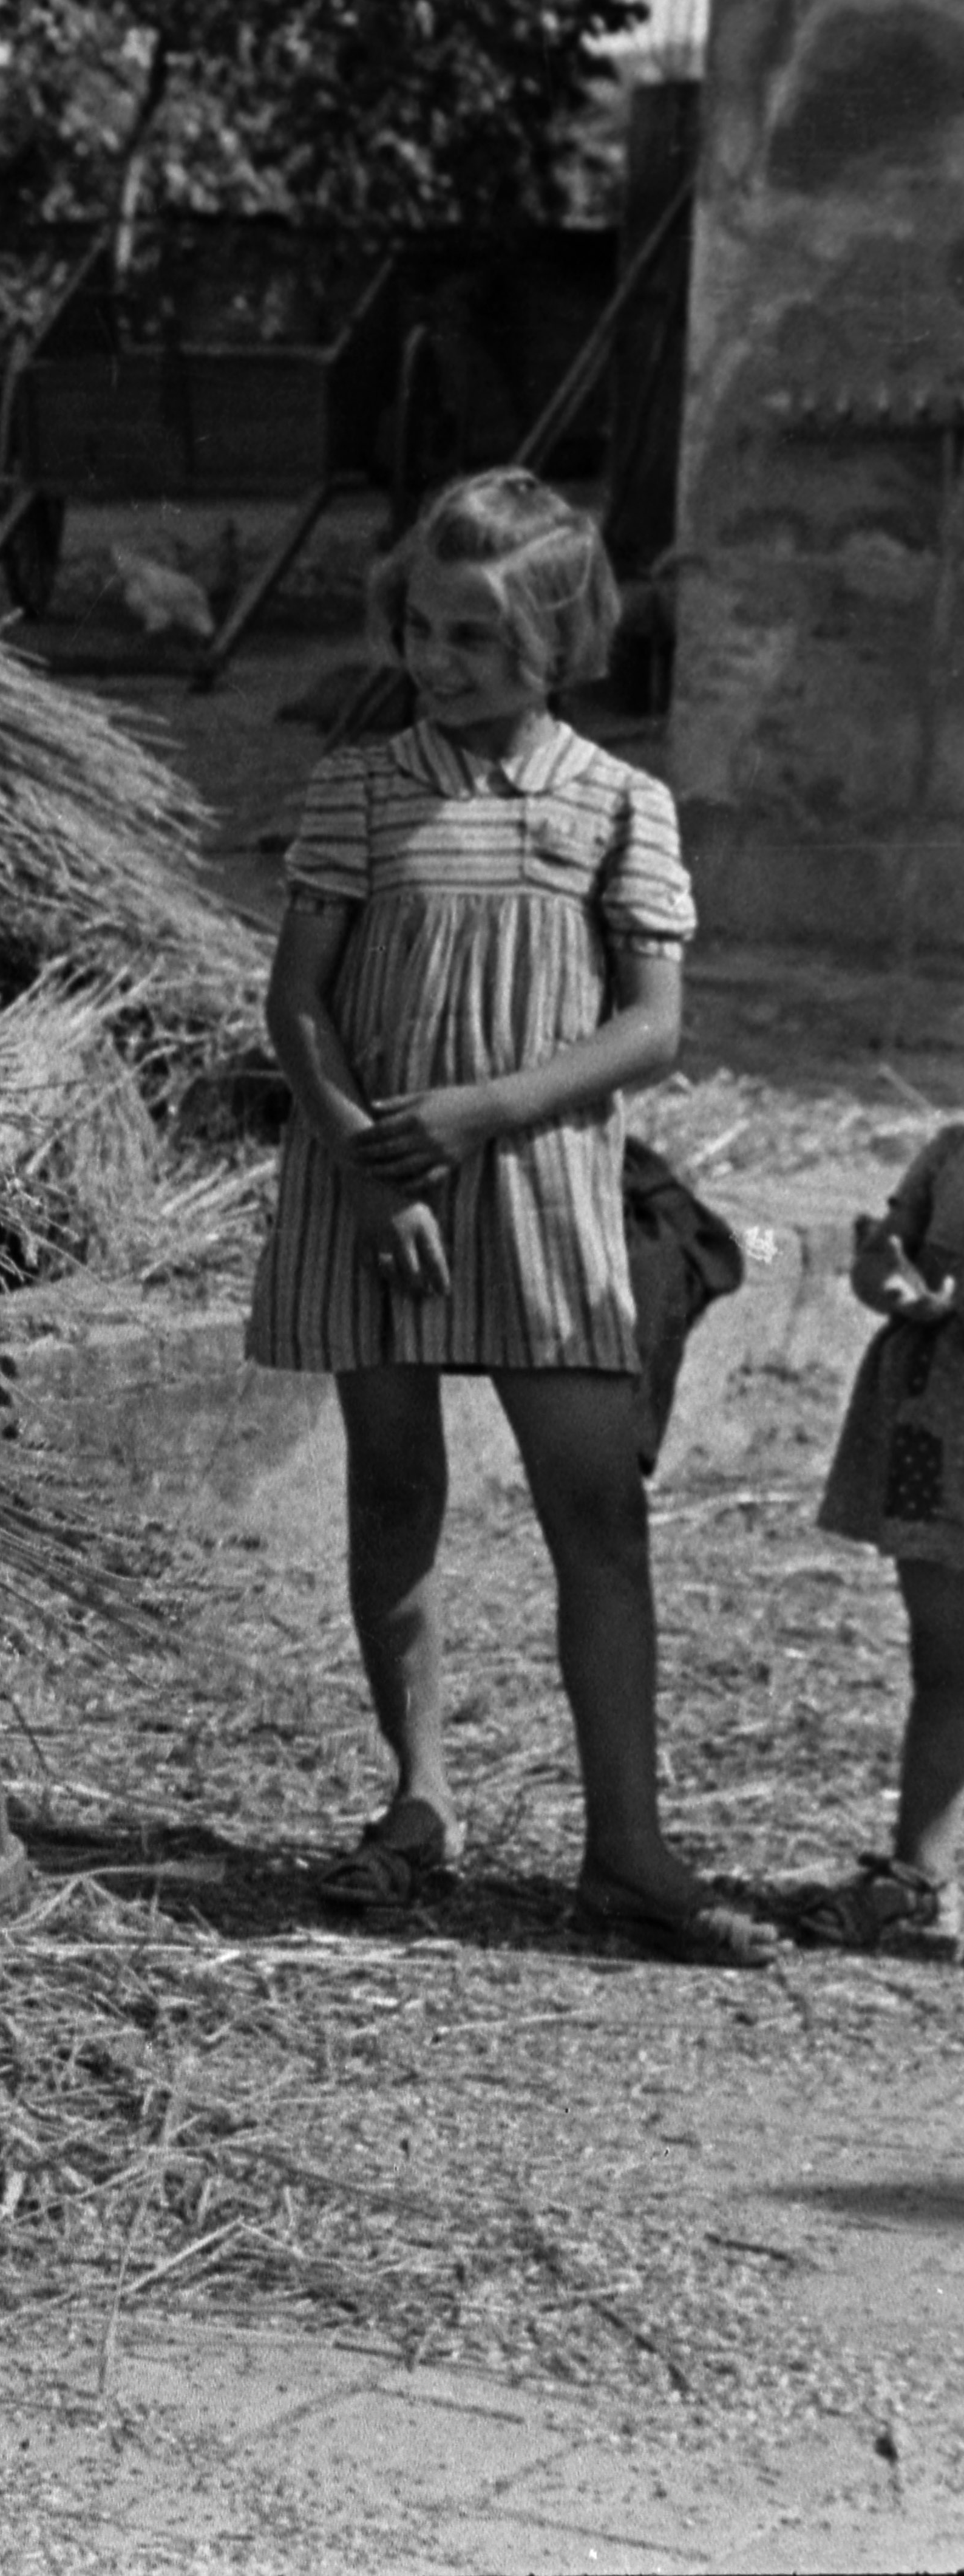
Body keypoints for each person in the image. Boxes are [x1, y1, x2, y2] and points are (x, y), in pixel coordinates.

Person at [248, 468, 774, 1964]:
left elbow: (652, 1027)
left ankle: (630, 1847)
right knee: (396, 1490)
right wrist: (364, 1163)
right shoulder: (360, 785)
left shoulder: (621, 804)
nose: (438, 659)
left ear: (559, 635)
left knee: (598, 1513)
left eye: (476, 635)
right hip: (376, 1189)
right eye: (422, 626)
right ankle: (416, 1808)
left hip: (542, 1188)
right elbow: (299, 1002)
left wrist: (483, 1111)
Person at [786, 1123, 964, 1956]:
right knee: (947, 1657)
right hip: (944, 1429)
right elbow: (884, 1256)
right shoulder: (952, 1149)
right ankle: (919, 1880)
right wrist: (888, 1281)